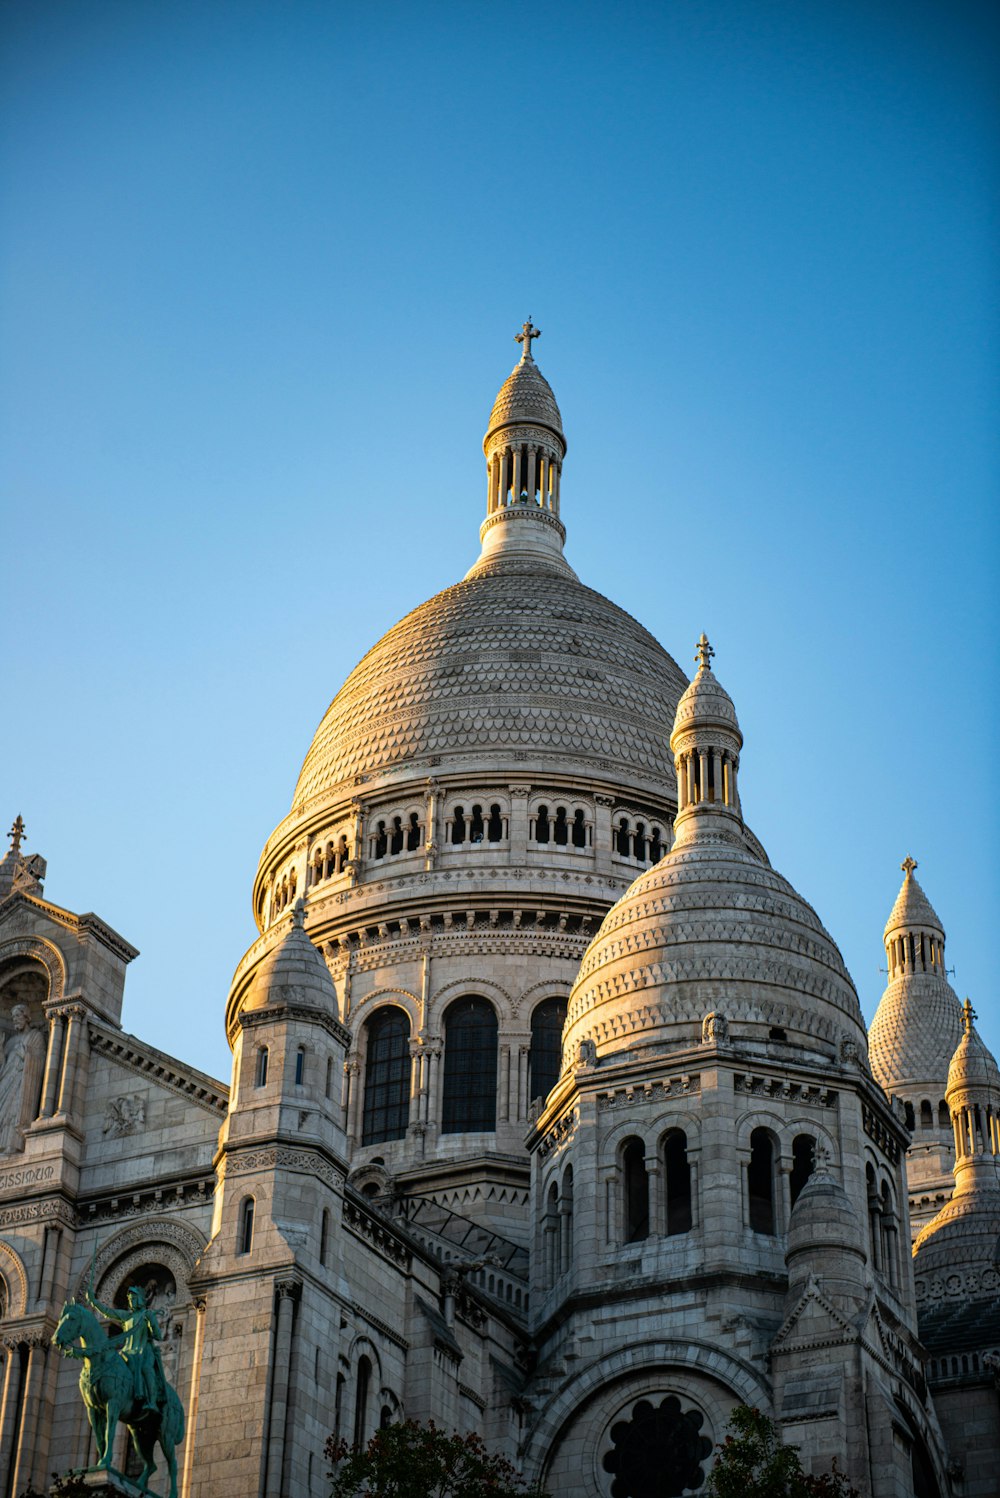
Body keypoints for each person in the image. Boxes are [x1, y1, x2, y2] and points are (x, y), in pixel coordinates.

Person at [86, 1283, 166, 1415]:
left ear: (140, 1299)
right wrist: (94, 1302)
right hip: (129, 1351)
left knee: (146, 1369)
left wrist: (151, 1323)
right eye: (129, 1300)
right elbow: (108, 1312)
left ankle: (152, 1402)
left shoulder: (148, 1315)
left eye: (133, 1299)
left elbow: (158, 1336)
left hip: (145, 1351)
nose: (131, 1302)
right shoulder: (127, 1316)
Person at [0, 1004, 45, 1155]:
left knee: (14, 1113)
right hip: (7, 1081)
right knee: (4, 1113)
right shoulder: (10, 1042)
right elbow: (3, 1065)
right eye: (12, 1018)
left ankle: (12, 1145)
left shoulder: (35, 1036)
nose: (15, 1020)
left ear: (27, 1017)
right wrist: (1, 1048)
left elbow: (38, 1060)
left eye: (18, 1016)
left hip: (23, 1082)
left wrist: (24, 1054)